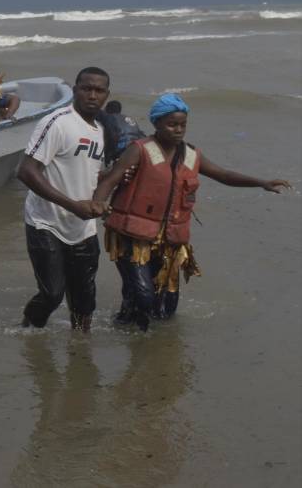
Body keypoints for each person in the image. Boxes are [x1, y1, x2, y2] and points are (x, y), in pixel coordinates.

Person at [93, 93, 291, 330]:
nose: (178, 130)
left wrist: (261, 182)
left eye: (183, 125)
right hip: (132, 236)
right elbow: (109, 180)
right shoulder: (140, 150)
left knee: (166, 308)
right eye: (172, 124)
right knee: (144, 295)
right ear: (156, 123)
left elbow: (224, 175)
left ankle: (141, 334)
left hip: (168, 240)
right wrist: (98, 203)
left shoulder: (191, 154)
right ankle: (132, 336)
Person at [18, 67, 111, 332]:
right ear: (75, 90)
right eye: (86, 88)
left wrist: (102, 200)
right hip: (46, 223)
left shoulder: (99, 131)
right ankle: (27, 331)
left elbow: (89, 174)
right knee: (52, 295)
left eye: (99, 90)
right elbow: (25, 171)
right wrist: (73, 205)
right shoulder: (57, 122)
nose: (92, 95)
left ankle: (80, 348)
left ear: (107, 95)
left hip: (82, 227)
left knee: (84, 302)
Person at [96, 100, 145, 167]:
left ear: (107, 109)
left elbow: (113, 136)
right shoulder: (129, 119)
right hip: (137, 152)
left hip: (122, 154)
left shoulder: (109, 117)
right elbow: (142, 135)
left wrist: (108, 156)